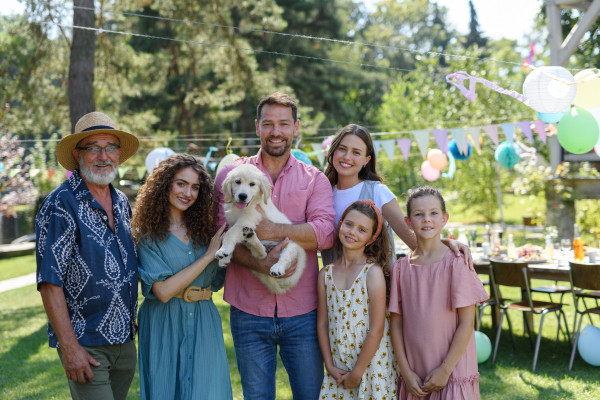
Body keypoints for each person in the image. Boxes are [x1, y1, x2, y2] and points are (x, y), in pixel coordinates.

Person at [214, 92, 337, 400]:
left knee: (310, 395)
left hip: (303, 311)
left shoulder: (314, 180)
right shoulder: (233, 176)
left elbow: (325, 233)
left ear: (296, 128)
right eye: (268, 124)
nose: (276, 131)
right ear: (257, 128)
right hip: (248, 310)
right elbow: (218, 232)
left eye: (284, 123)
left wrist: (274, 229)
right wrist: (260, 262)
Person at [36, 111, 140, 400]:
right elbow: (49, 281)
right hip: (86, 343)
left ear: (119, 153)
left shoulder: (121, 202)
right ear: (77, 154)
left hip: (125, 342)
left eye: (110, 147)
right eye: (93, 147)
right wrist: (69, 347)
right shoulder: (61, 203)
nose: (103, 155)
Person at [132, 154, 232, 400]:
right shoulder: (148, 236)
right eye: (181, 183)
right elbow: (163, 292)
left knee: (209, 391)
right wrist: (208, 256)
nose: (188, 192)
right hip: (163, 323)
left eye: (195, 187)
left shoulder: (207, 230)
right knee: (164, 389)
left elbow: (219, 279)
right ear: (165, 184)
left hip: (204, 320)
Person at [322, 123, 471, 266]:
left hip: (375, 288)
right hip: (333, 288)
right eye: (342, 149)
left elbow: (413, 240)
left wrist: (446, 243)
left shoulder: (377, 192)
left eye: (356, 152)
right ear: (333, 151)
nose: (347, 157)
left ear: (366, 160)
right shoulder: (322, 195)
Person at [389, 187, 489, 399]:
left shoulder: (457, 263)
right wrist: (406, 373)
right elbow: (396, 324)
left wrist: (445, 370)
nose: (427, 219)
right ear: (408, 222)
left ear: (444, 219)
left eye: (434, 213)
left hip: (453, 371)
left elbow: (466, 323)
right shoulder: (400, 268)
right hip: (415, 375)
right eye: (419, 214)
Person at [317, 200, 399, 399]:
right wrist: (329, 364)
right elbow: (322, 324)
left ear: (371, 238)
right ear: (340, 224)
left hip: (371, 367)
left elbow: (376, 329)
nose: (352, 232)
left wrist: (357, 372)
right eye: (349, 224)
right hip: (338, 368)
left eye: (362, 229)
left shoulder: (372, 273)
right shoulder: (325, 274)